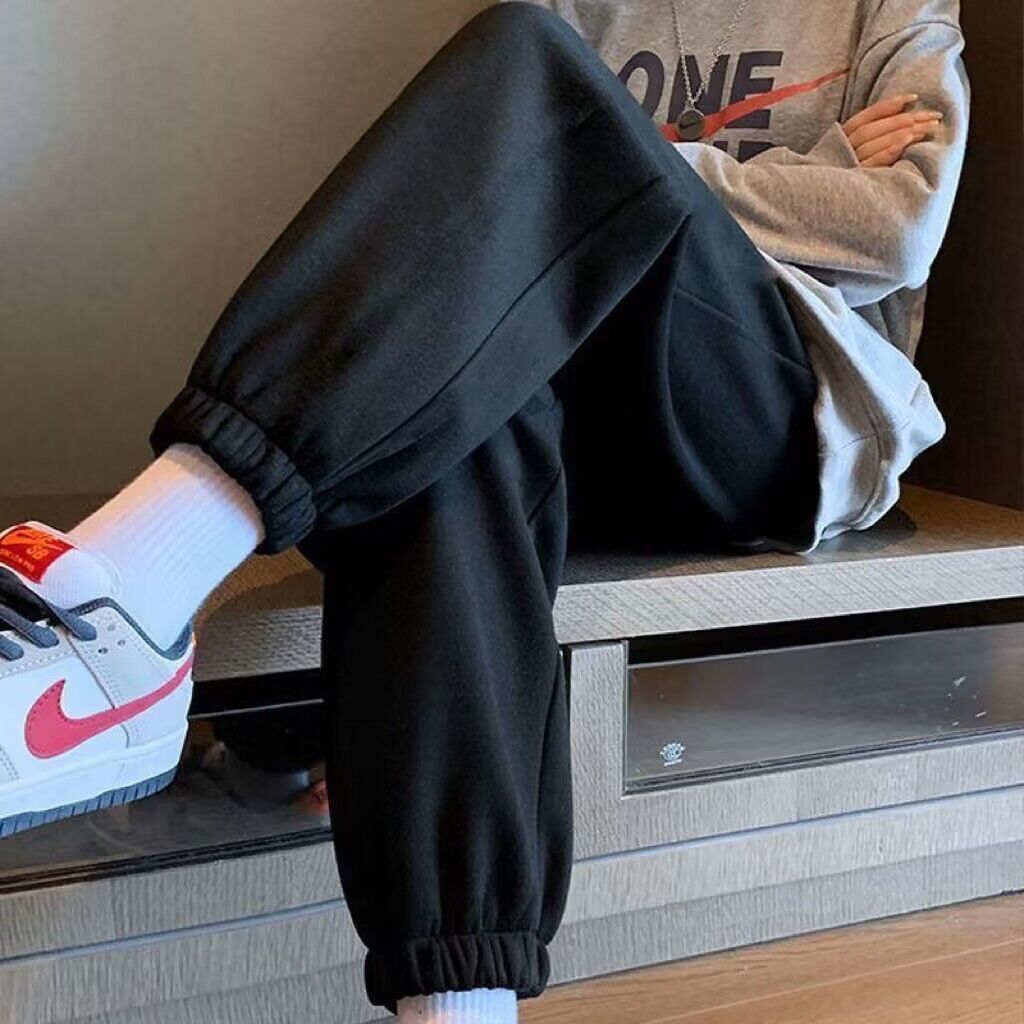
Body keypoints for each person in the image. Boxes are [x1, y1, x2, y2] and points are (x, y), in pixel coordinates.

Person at [0, 1, 967, 1020]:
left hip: (783, 402)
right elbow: (511, 200)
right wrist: (680, 171)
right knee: (456, 389)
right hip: (589, 399)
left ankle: (132, 594)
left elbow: (897, 226)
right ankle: (461, 999)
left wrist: (613, 164)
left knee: (529, 79)